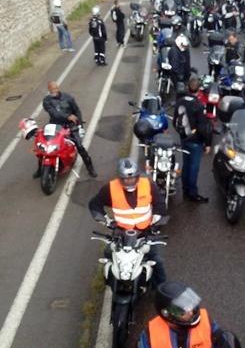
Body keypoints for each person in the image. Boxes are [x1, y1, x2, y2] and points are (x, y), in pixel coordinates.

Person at [88, 158, 167, 286]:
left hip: (145, 232)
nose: (129, 181)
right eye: (125, 179)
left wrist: (156, 219)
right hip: (121, 233)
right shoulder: (110, 188)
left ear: (138, 176)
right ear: (120, 178)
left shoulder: (148, 184)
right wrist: (106, 220)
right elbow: (94, 205)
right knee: (108, 255)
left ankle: (162, 288)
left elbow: (160, 204)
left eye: (133, 178)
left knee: (157, 261)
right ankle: (110, 283)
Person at [42, 81, 97, 177]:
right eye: (53, 89)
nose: (55, 90)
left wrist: (80, 124)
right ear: (49, 89)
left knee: (79, 146)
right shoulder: (46, 101)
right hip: (56, 126)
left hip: (70, 125)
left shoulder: (68, 97)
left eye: (56, 88)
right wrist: (67, 116)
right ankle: (40, 169)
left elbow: (77, 110)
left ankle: (90, 167)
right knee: (45, 146)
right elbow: (54, 113)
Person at [174, 78, 212, 202]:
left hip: (184, 137)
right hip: (195, 140)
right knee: (194, 167)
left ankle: (185, 187)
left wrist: (182, 133)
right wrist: (207, 142)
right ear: (198, 89)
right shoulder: (199, 105)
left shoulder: (180, 101)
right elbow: (203, 127)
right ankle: (192, 192)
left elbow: (175, 121)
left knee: (186, 164)